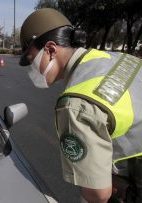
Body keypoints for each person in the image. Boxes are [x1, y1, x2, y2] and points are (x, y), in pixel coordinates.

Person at [19, 8, 142, 203]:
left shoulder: (76, 104)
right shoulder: (119, 59)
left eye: (30, 59)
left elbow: (98, 194)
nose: (30, 70)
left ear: (50, 50)